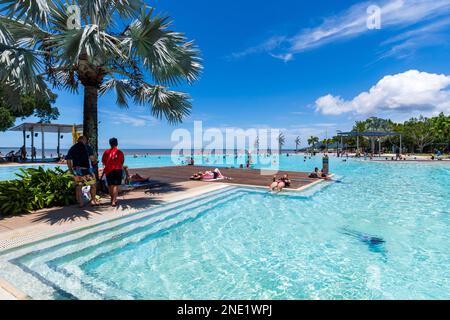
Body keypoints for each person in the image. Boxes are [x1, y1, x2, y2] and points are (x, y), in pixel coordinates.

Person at [66, 136, 99, 207]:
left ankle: (80, 203)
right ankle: (93, 200)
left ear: (78, 140)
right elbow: (92, 158)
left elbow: (68, 161)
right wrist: (95, 160)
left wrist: (71, 170)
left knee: (79, 186)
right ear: (84, 140)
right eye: (86, 140)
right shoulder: (87, 147)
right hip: (86, 170)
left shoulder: (72, 148)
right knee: (93, 185)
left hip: (77, 169)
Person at [102, 138, 125, 207]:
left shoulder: (106, 151)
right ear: (117, 143)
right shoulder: (119, 152)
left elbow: (103, 161)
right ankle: (114, 201)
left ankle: (112, 199)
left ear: (110, 143)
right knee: (115, 185)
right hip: (118, 169)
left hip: (109, 170)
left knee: (110, 185)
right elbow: (122, 161)